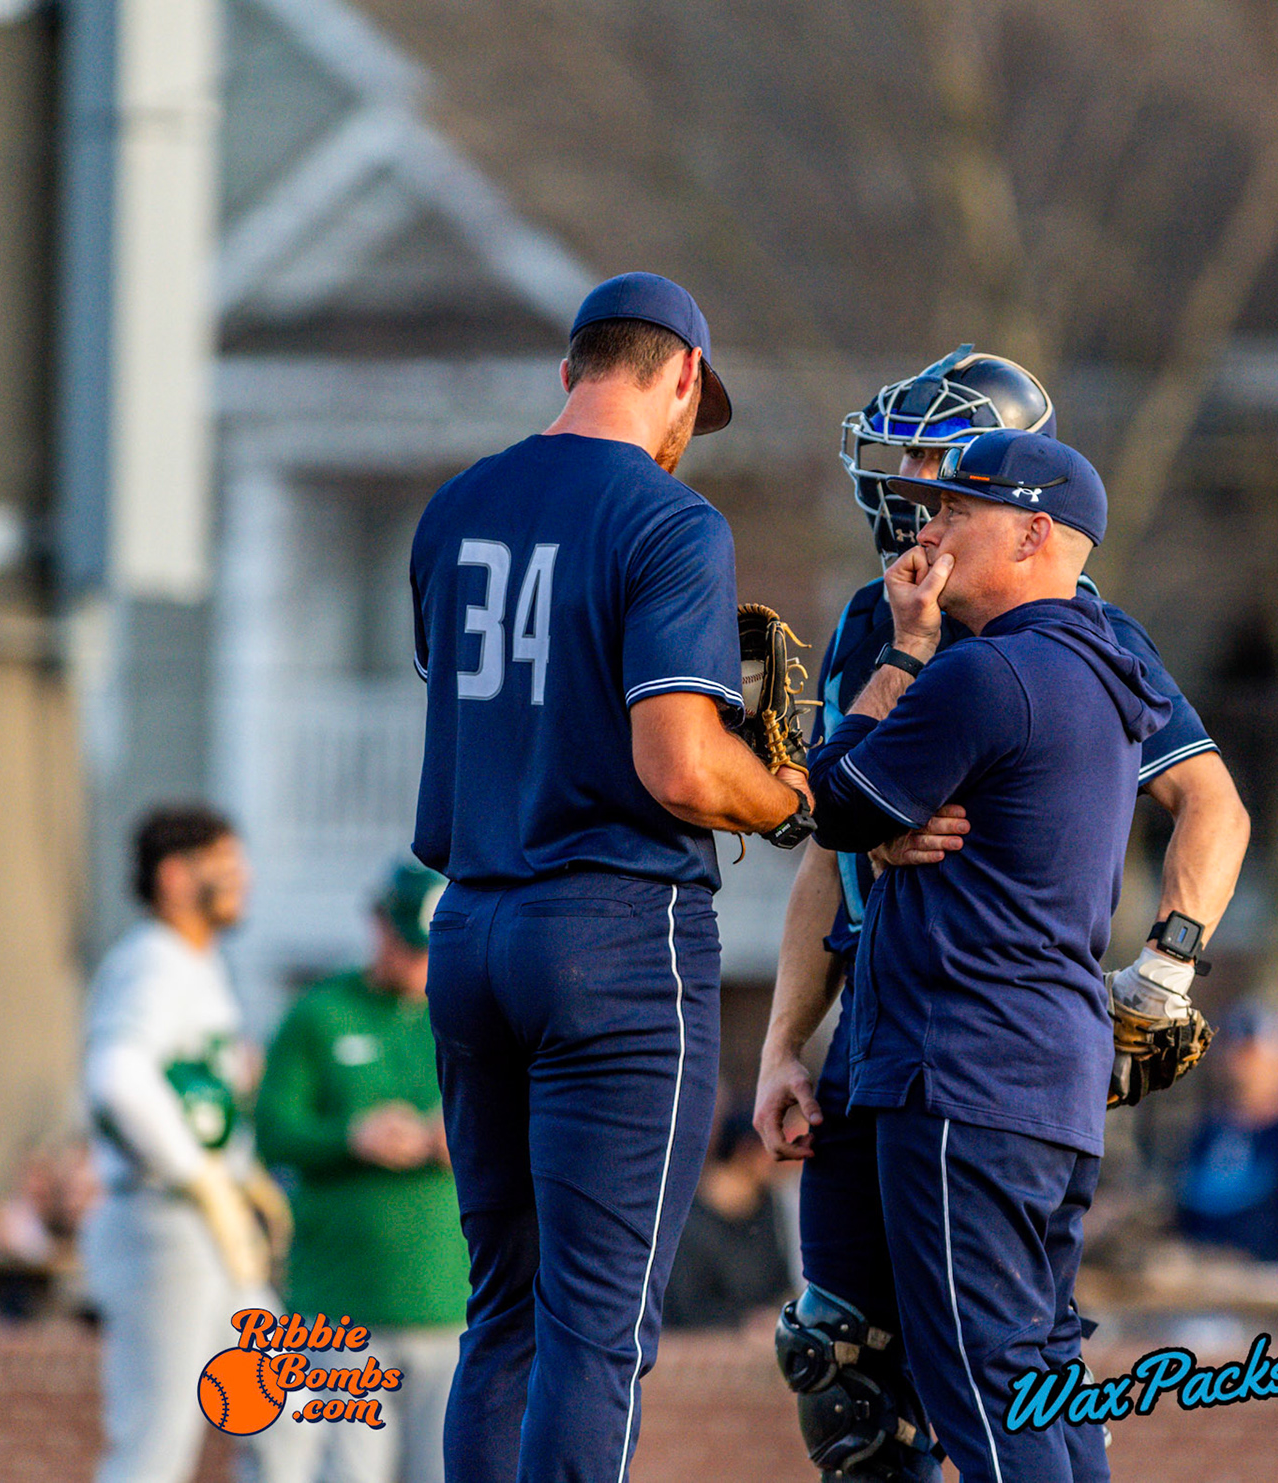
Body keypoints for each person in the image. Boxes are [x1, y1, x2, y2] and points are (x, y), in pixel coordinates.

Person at [753, 349, 1250, 1481]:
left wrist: (1166, 968)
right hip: (885, 1031)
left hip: (961, 1045)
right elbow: (830, 848)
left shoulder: (1069, 635)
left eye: (950, 483)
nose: (919, 506)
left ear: (1027, 524)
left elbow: (1211, 806)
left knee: (985, 1382)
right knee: (851, 1367)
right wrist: (788, 1041)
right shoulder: (881, 615)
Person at [410, 272, 815, 1483]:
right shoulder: (666, 519)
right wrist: (792, 798)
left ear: (570, 368)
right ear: (681, 374)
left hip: (473, 927)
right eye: (700, 402)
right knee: (598, 1329)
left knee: (506, 1317)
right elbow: (685, 765)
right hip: (615, 931)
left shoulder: (453, 509)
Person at [804, 428, 1172, 1483]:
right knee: (1044, 1379)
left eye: (958, 511)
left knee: (981, 1393)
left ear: (1036, 533)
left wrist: (904, 651)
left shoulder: (992, 673)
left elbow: (824, 803)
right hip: (1051, 1075)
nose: (928, 527)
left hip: (962, 1070)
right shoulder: (1108, 672)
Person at [81, 805, 305, 1483]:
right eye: (225, 866)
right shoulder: (153, 959)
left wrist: (234, 1170)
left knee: (292, 1407)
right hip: (161, 1218)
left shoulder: (193, 963)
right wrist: (199, 1172)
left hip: (201, 1226)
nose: (243, 879)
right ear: (176, 876)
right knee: (155, 1442)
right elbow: (116, 1076)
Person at [255, 858, 466, 1483]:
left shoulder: (465, 1016)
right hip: (341, 1306)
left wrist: (457, 1140)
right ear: (378, 927)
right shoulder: (320, 1014)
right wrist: (353, 1136)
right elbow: (272, 1132)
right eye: (408, 944)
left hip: (448, 1295)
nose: (421, 963)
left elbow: (527, 1123)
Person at [1173, 1001, 1278, 1267]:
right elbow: (1187, 1211)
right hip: (1202, 1284)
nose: (1241, 1066)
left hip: (1271, 1287)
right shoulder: (1210, 1132)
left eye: (1252, 1055)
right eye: (1235, 1053)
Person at [663, 1115, 795, 1331]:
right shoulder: (689, 1216)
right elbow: (686, 1306)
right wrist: (745, 1323)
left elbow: (781, 1283)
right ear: (745, 1150)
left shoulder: (768, 1206)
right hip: (700, 1346)